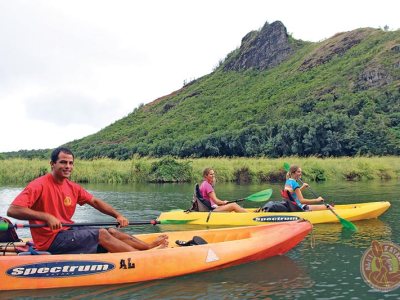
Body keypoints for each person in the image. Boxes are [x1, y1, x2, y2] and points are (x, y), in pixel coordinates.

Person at [7, 147, 168, 254]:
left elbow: (95, 202)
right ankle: (140, 258)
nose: (67, 166)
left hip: (66, 231)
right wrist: (46, 217)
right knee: (101, 234)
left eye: (70, 163)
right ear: (52, 164)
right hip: (49, 241)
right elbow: (13, 210)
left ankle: (147, 247)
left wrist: (117, 215)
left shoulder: (72, 187)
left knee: (111, 230)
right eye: (63, 162)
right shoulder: (38, 185)